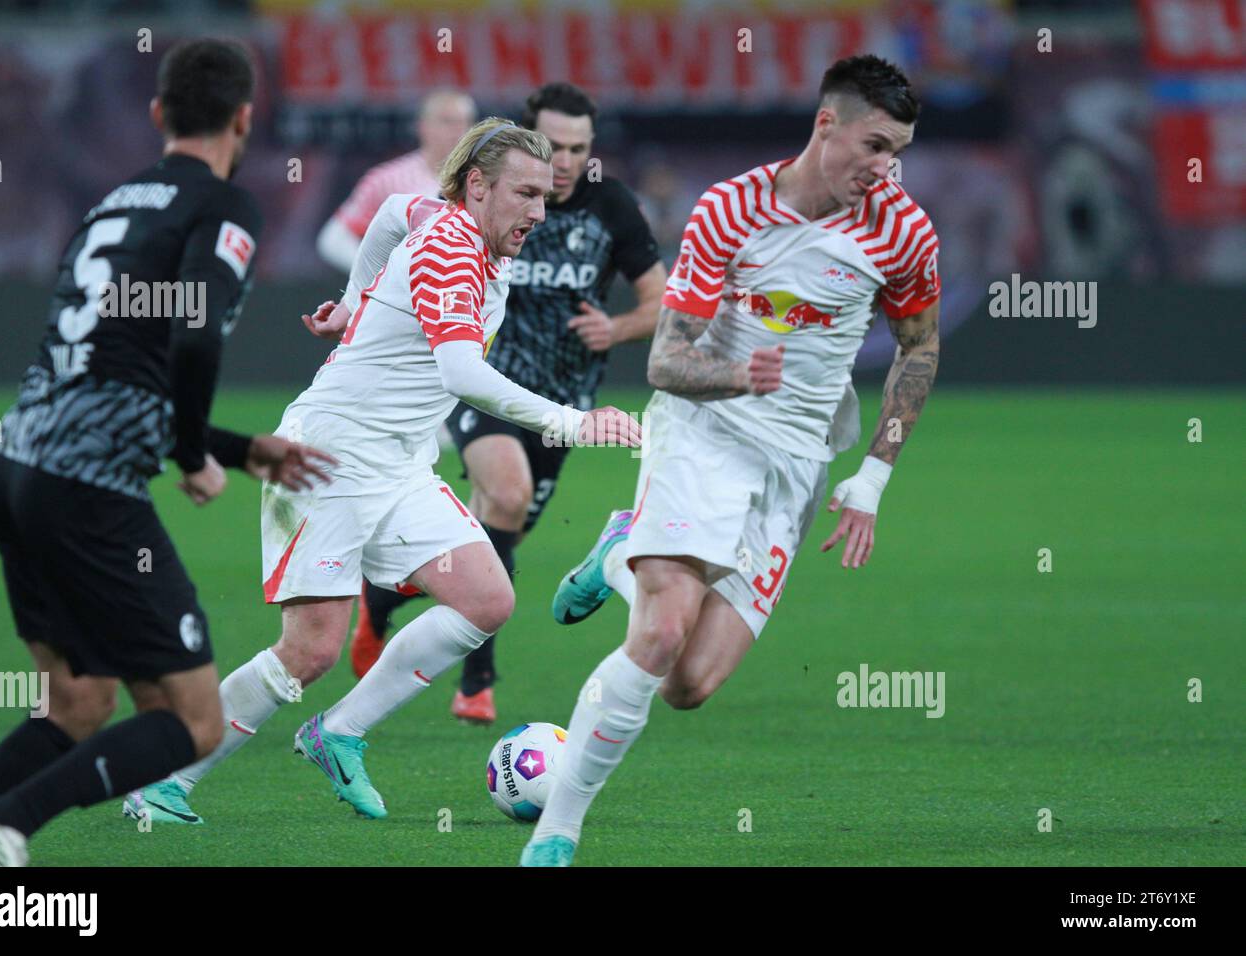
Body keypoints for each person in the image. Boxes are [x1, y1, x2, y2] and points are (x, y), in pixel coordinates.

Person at [122, 118, 640, 826]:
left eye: (545, 197)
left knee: (487, 599)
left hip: (397, 464)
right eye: (524, 194)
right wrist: (575, 421)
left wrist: (354, 300)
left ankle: (337, 732)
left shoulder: (445, 216)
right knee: (309, 651)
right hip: (325, 460)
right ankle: (163, 781)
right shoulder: (452, 250)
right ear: (478, 186)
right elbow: (462, 371)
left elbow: (395, 212)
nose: (538, 213)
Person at [520, 54, 943, 866]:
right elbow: (666, 364)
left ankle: (620, 552)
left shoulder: (902, 229)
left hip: (796, 460)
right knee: (661, 631)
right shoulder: (730, 208)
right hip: (703, 431)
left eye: (899, 153)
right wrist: (734, 375)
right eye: (875, 146)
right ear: (827, 125)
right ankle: (558, 830)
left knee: (689, 683)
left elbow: (919, 348)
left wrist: (875, 474)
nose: (885, 169)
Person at [0, 38, 332, 867]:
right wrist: (197, 452)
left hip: (14, 469)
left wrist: (240, 449)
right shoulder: (224, 207)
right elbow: (193, 337)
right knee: (193, 722)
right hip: (84, 488)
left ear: (159, 115)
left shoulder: (115, 203)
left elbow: (102, 368)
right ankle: (3, 825)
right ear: (244, 119)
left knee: (78, 702)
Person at [338, 82, 667, 725]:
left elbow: (661, 300)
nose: (566, 162)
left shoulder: (611, 209)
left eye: (578, 148)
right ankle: (478, 678)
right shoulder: (490, 207)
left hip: (564, 393)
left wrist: (618, 328)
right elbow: (400, 218)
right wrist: (357, 303)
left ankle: (381, 597)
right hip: (490, 385)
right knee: (506, 495)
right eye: (555, 146)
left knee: (497, 535)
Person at [316, 89, 476, 273]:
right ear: (423, 126)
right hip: (408, 296)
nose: (458, 131)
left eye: (465, 122)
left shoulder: (483, 179)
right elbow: (334, 239)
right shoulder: (388, 179)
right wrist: (378, 274)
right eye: (447, 121)